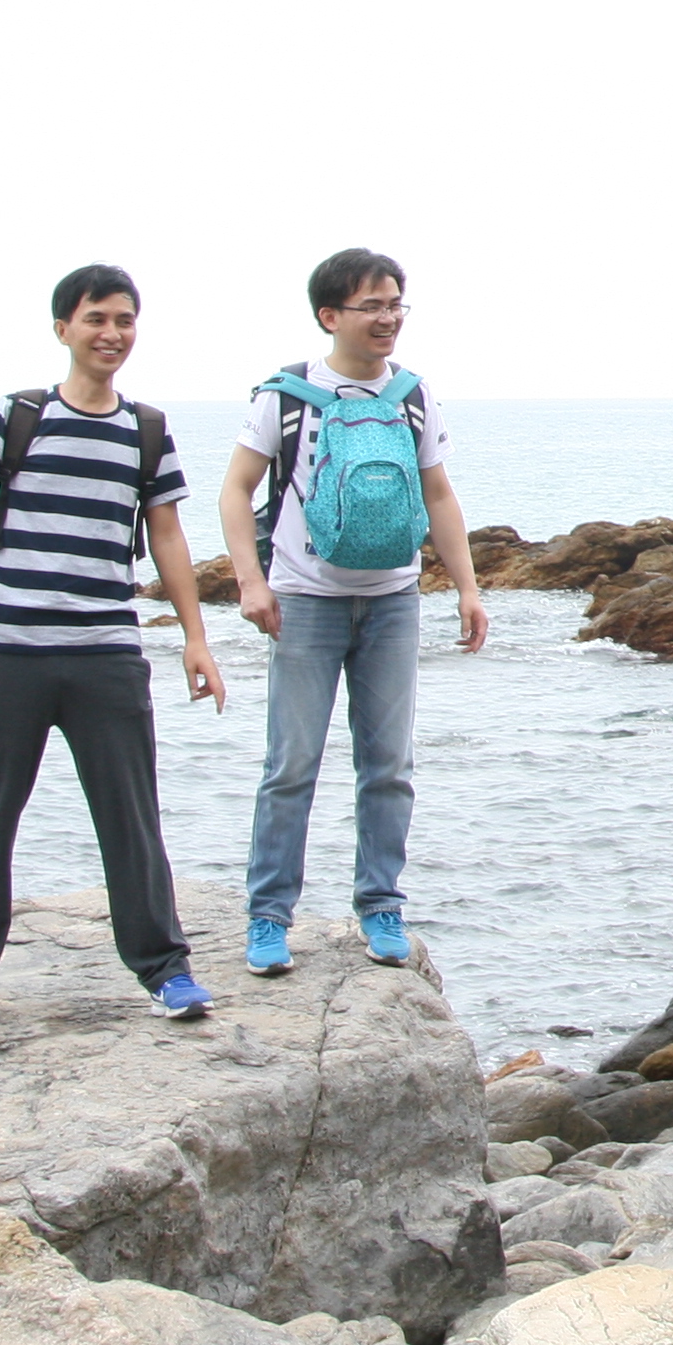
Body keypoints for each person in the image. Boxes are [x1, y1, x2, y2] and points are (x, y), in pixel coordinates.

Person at [0, 265, 222, 1022]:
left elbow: (168, 537)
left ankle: (165, 970)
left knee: (130, 819)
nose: (112, 333)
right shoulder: (20, 416)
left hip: (106, 655)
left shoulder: (146, 430)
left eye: (125, 320)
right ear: (63, 328)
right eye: (96, 318)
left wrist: (195, 637)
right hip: (9, 652)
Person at [220, 247, 489, 977]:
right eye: (371, 306)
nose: (388, 318)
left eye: (396, 304)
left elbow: (438, 494)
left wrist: (466, 587)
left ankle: (381, 904)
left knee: (389, 764)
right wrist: (251, 582)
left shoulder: (412, 394)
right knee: (291, 764)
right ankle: (269, 916)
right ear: (329, 315)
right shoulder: (286, 396)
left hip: (393, 600)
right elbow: (236, 490)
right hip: (305, 601)